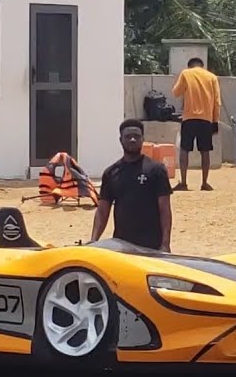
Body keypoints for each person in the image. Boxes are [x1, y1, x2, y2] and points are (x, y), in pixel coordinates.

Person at [92, 119, 173, 251]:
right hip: (121, 244)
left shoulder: (156, 169)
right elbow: (102, 211)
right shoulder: (111, 173)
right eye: (128, 137)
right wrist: (93, 241)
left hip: (152, 245)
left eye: (137, 136)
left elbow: (165, 210)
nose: (133, 140)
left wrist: (165, 244)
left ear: (143, 139)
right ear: (120, 140)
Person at [171, 57, 221, 191]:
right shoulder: (212, 77)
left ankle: (183, 183)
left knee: (184, 149)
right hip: (206, 119)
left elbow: (176, 92)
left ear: (189, 66)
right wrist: (215, 121)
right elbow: (217, 101)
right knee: (205, 151)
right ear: (202, 66)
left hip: (189, 118)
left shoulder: (186, 73)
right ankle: (204, 183)